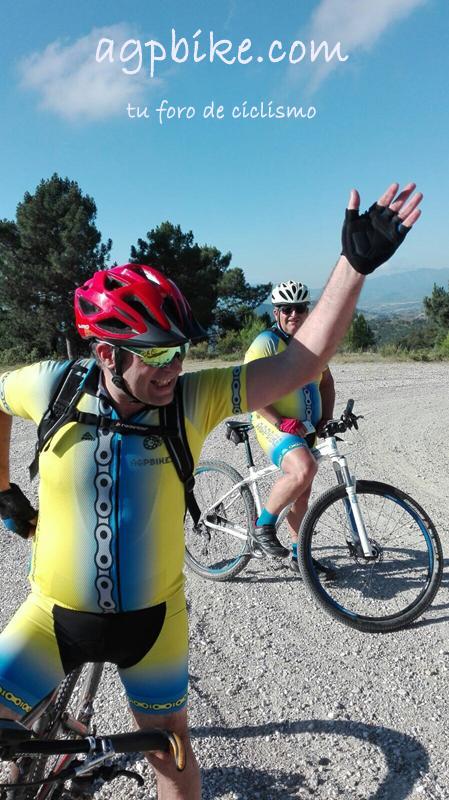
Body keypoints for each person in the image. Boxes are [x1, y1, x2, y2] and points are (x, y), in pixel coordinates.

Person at [0, 182, 422, 800]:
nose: (175, 367)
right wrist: (4, 489)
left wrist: (352, 267)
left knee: (172, 758)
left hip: (153, 628)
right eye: (158, 355)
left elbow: (300, 364)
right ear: (106, 354)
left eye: (181, 351)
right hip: (52, 618)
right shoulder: (52, 388)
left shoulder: (190, 401)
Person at [244, 280, 335, 572]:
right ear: (276, 313)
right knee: (304, 469)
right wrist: (279, 421)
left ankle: (299, 556)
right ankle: (262, 526)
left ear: (307, 311)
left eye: (300, 308)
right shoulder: (266, 344)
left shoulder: (312, 344)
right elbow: (247, 390)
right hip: (271, 422)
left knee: (302, 492)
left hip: (305, 427)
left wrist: (326, 418)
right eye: (287, 309)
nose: (294, 314)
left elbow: (327, 382)